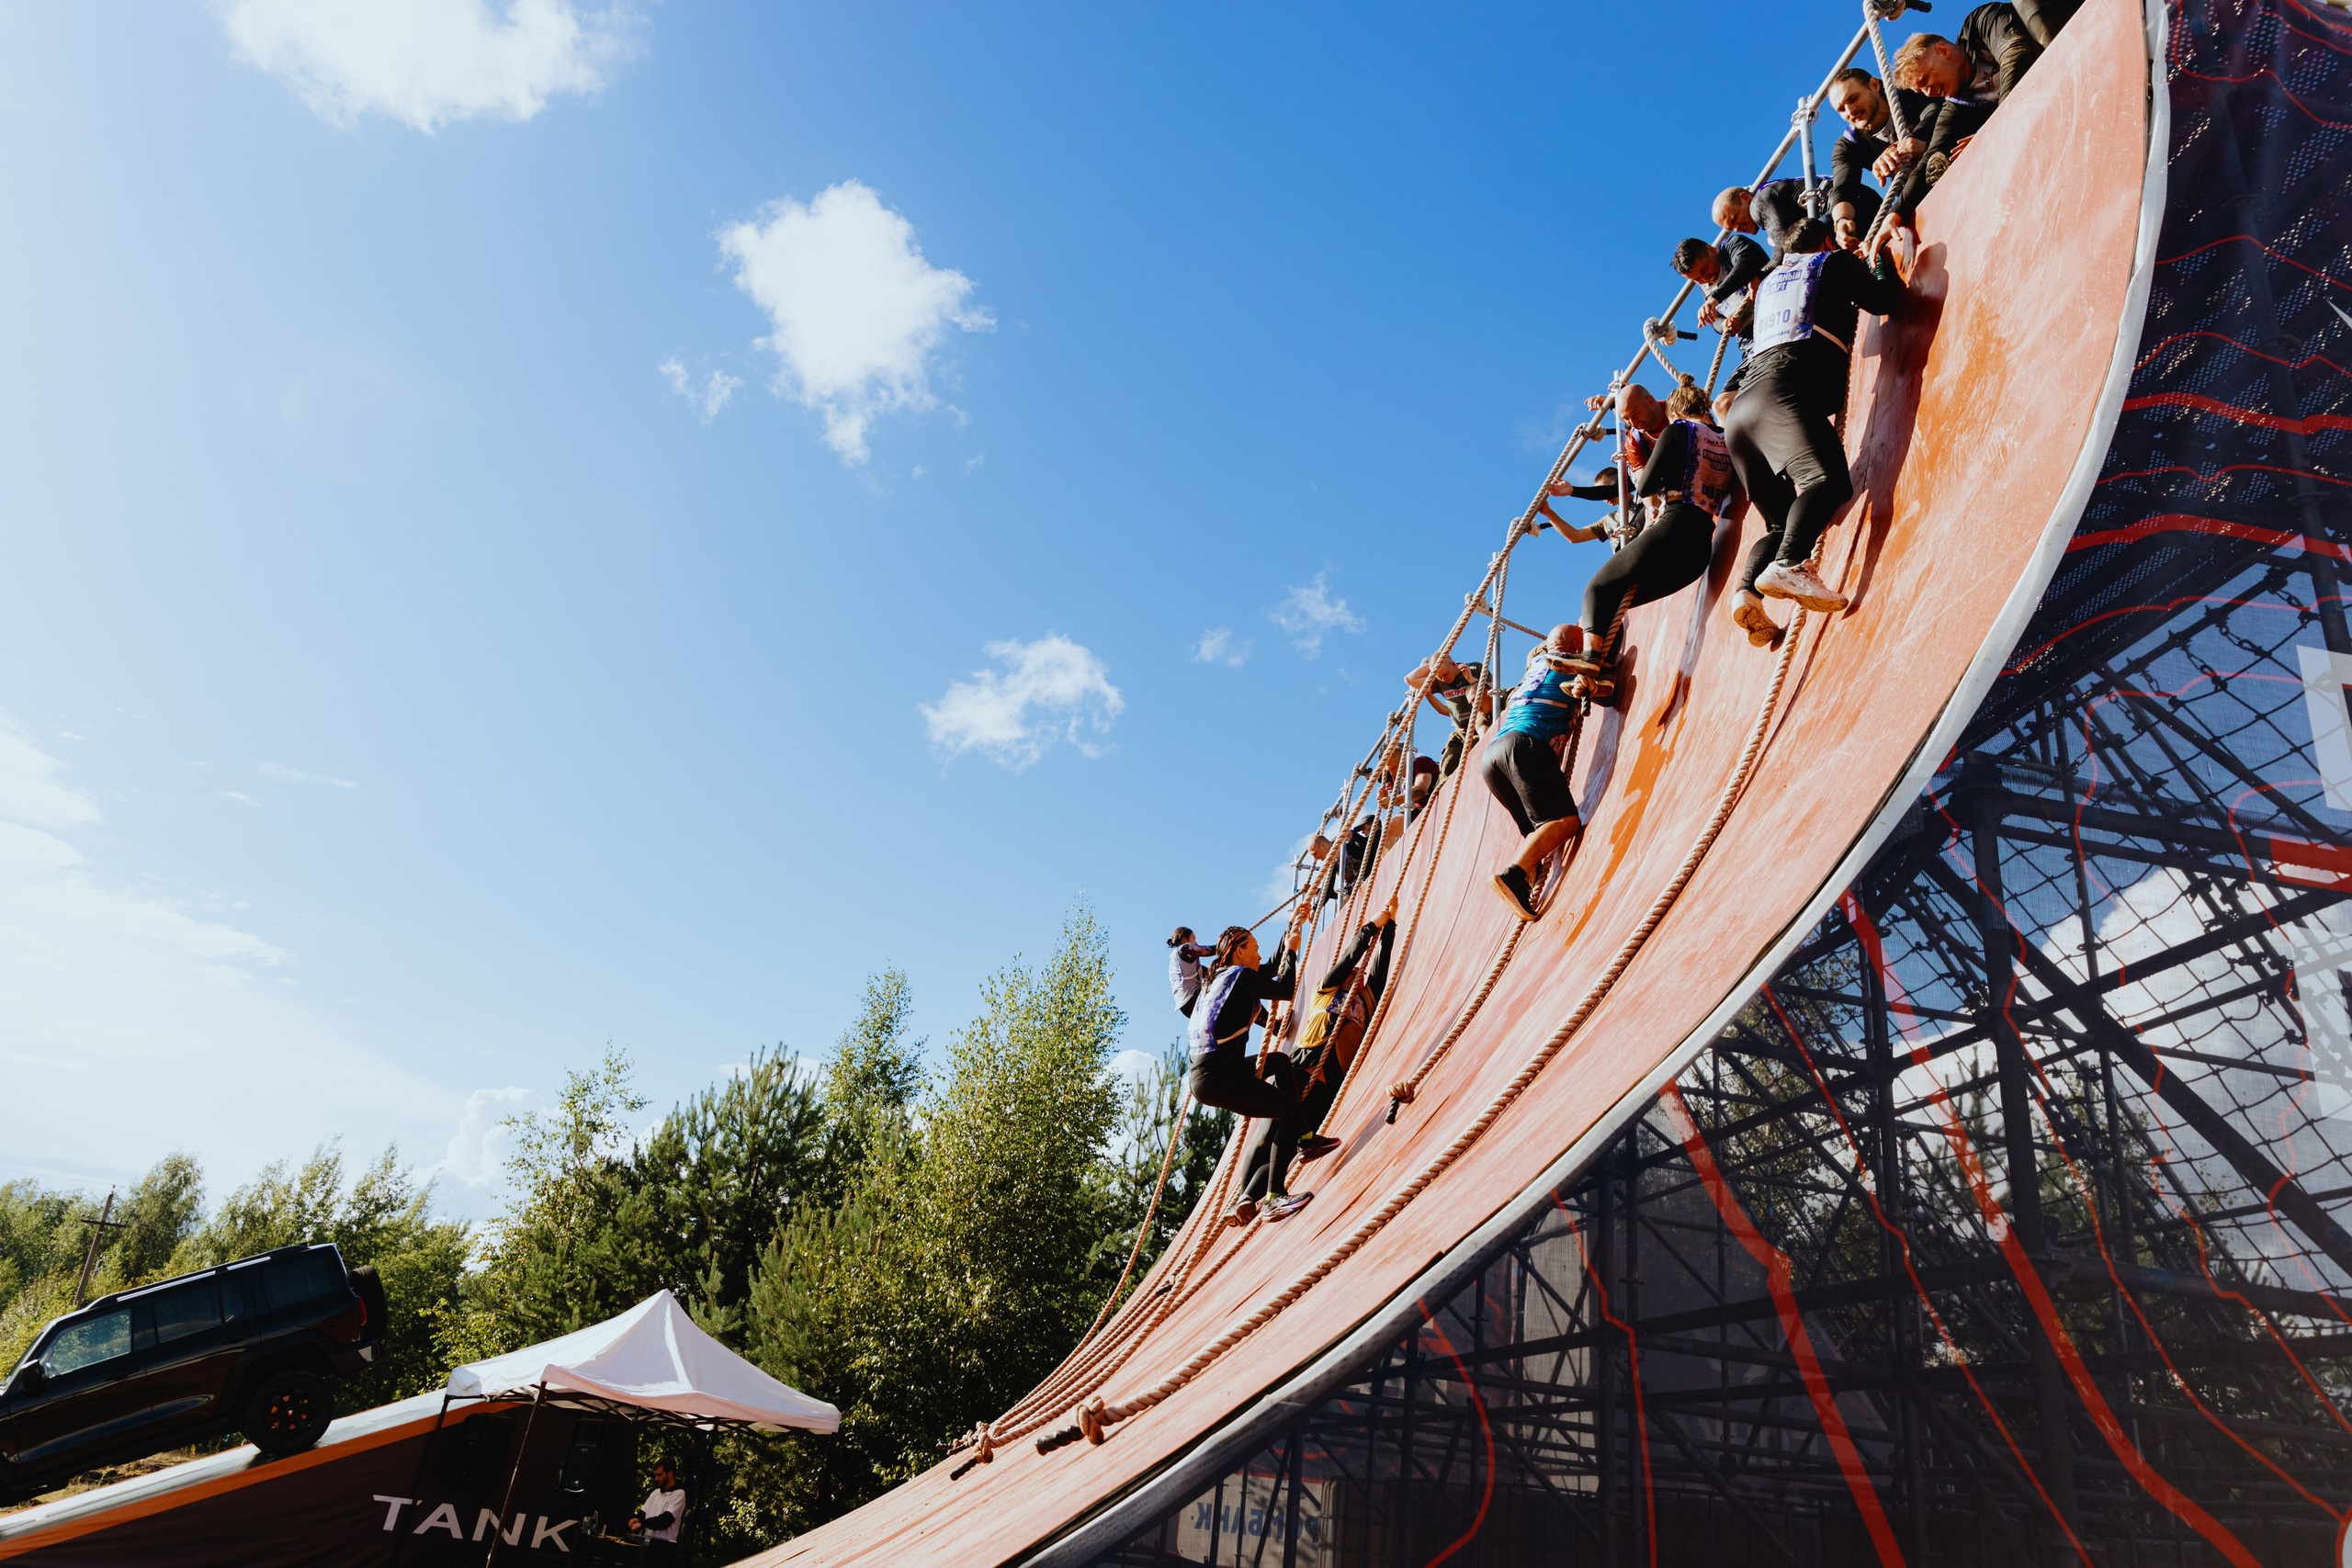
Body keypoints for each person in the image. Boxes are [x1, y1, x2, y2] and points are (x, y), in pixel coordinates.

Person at [1724, 230, 1908, 643]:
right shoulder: (1833, 261)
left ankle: (1749, 593)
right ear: (1826, 241)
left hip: (1741, 415)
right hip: (1781, 395)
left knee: (1780, 523)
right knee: (1828, 481)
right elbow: (1884, 302)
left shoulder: (1769, 285)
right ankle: (1789, 564)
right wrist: (1878, 260)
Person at [1236, 894, 1403, 1202]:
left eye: (1360, 974)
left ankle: (1251, 1200)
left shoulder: (1366, 1001)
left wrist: (1390, 927)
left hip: (1327, 1087)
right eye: (1353, 973)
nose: (1358, 973)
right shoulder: (1325, 990)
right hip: (1299, 1069)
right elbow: (1349, 958)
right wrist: (1371, 927)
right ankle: (1239, 1200)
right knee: (1266, 1134)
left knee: (1286, 1149)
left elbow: (1380, 970)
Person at [1574, 382, 1739, 663]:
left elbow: (1644, 486)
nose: (1632, 423)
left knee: (1598, 589)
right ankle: (1602, 674)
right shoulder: (1724, 436)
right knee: (1616, 598)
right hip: (1700, 546)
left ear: (1667, 409)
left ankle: (1591, 661)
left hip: (1676, 523)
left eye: (1634, 415)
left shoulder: (1677, 430)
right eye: (1626, 418)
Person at [1189, 917, 1311, 1224]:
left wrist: (1291, 929)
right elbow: (1284, 989)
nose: (1259, 954)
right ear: (1238, 951)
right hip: (1218, 1076)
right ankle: (1274, 1197)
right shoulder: (1240, 977)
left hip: (1209, 1073)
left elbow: (1267, 968)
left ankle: (1306, 1138)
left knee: (1280, 1062)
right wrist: (1292, 951)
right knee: (1291, 1113)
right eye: (1254, 949)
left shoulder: (1222, 978)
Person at [1479, 626, 1588, 921]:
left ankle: (1524, 881)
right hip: (1525, 745)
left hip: (1493, 755)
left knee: (1536, 832)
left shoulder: (1535, 668)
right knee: (1564, 821)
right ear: (1577, 646)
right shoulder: (1571, 662)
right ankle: (1513, 877)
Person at [1824, 68, 1927, 251]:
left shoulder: (1909, 92)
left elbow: (1938, 114)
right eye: (1841, 109)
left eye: (1853, 98)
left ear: (1874, 85)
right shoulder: (1849, 144)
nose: (1850, 111)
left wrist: (1912, 143)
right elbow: (1843, 189)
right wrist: (1841, 221)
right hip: (1918, 198)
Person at [1404, 653, 1489, 778]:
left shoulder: (1474, 669)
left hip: (1482, 723)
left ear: (1453, 664)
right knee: (1447, 766)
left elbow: (1492, 693)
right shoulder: (1440, 681)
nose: (1444, 679)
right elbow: (1409, 679)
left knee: (1480, 755)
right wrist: (1432, 665)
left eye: (1445, 674)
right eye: (1440, 677)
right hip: (1461, 732)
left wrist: (1471, 679)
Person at [1713, 180, 1819, 261]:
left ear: (1745, 198)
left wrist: (1763, 274)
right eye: (1731, 229)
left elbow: (1782, 244)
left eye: (1734, 220)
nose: (1737, 229)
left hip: (1826, 209)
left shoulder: (1758, 202)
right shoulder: (1771, 205)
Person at [628, 1459, 685, 1557]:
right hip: (646, 1547)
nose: (656, 1479)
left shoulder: (679, 1494)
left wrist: (642, 1524)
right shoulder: (655, 1493)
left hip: (663, 1551)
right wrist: (636, 1519)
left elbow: (665, 1520)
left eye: (659, 1475)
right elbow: (643, 1514)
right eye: (656, 1475)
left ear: (670, 1474)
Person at [1168, 927, 1216, 1017]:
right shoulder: (1185, 948)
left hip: (1185, 1006)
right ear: (1184, 939)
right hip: (1193, 998)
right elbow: (1210, 950)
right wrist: (1227, 943)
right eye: (1194, 939)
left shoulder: (1177, 958)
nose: (1196, 943)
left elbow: (1207, 972)